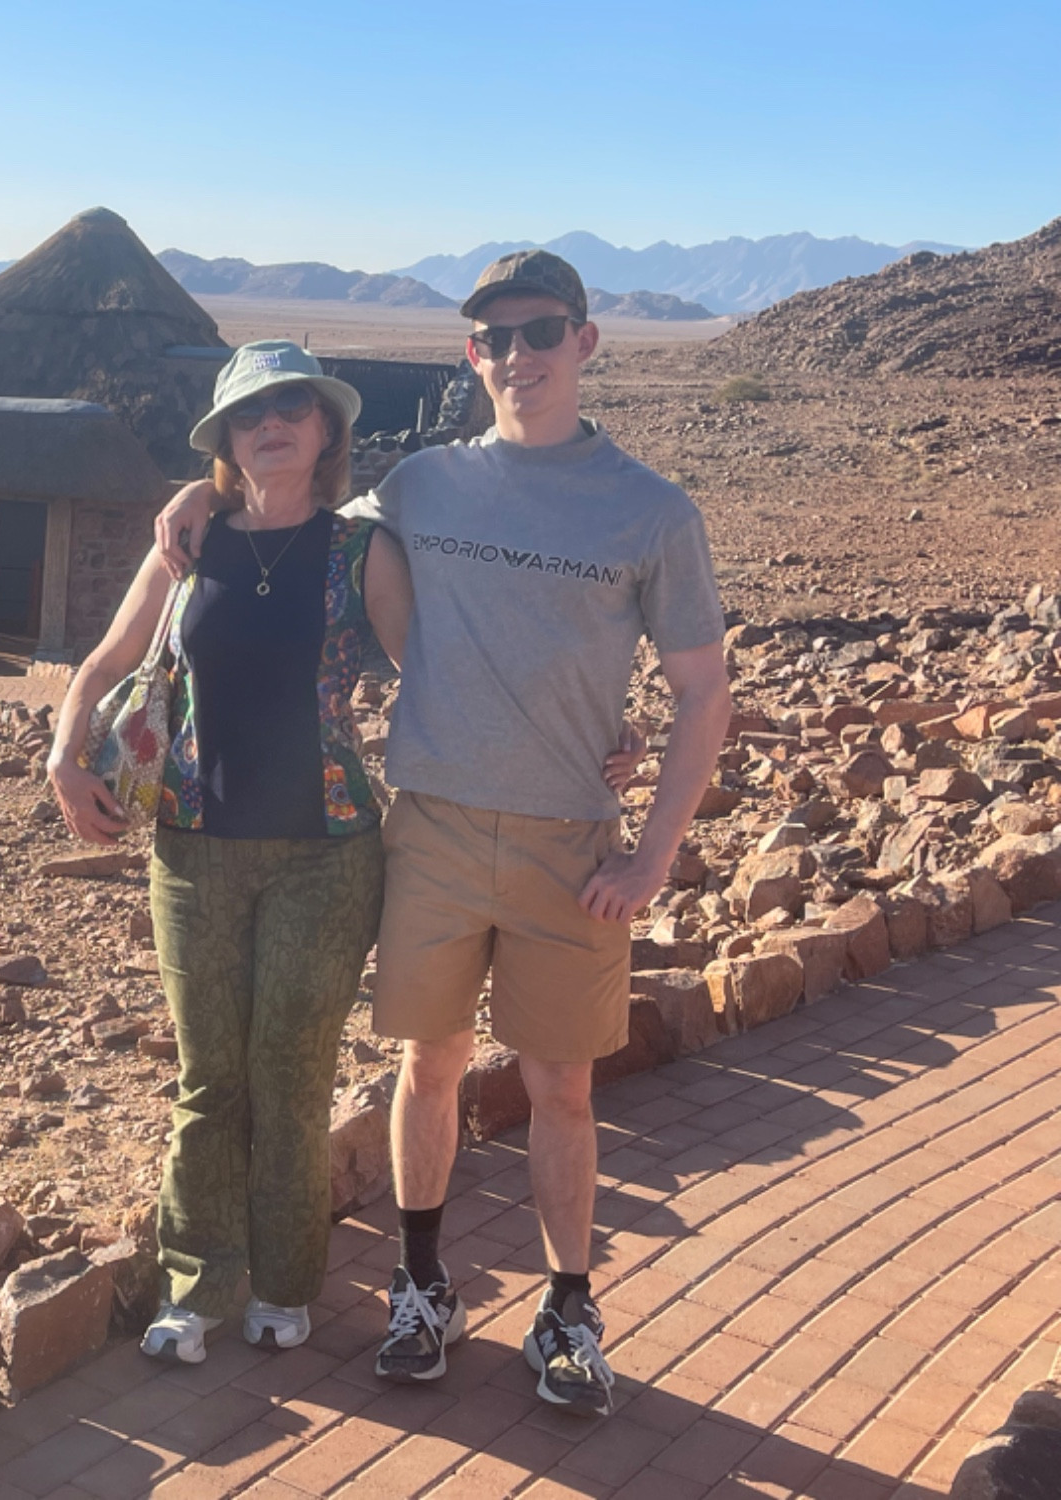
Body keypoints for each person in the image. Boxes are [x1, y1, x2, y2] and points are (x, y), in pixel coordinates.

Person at [152, 250, 732, 1415]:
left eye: (541, 330)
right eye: (495, 337)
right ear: (471, 355)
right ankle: (423, 1287)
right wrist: (195, 496)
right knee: (427, 1065)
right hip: (429, 827)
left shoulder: (651, 511)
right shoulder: (420, 485)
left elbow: (703, 693)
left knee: (560, 1087)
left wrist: (651, 854)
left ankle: (568, 1306)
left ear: (583, 343)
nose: (517, 354)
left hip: (571, 841)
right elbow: (283, 507)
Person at [46, 341, 404, 1363]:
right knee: (209, 1077)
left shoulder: (358, 551)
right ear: (225, 440)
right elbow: (106, 661)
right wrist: (63, 755)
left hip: (325, 852)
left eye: (292, 407)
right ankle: (195, 1284)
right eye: (250, 413)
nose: (272, 424)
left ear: (325, 430)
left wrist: (583, 725)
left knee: (290, 1074)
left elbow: (432, 675)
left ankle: (287, 1284)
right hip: (192, 849)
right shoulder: (184, 547)